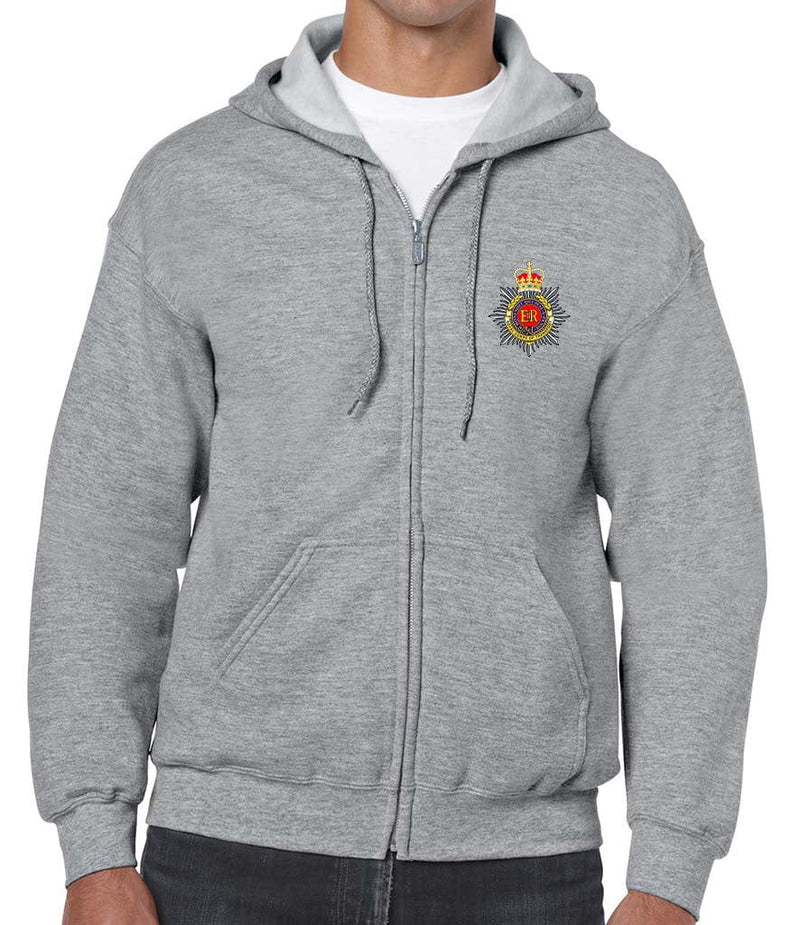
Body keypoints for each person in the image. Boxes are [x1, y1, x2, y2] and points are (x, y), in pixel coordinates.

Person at [30, 1, 766, 923]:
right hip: (228, 854)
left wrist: (670, 869)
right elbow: (106, 522)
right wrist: (93, 842)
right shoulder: (196, 187)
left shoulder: (621, 205)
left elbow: (695, 540)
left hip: (520, 868)